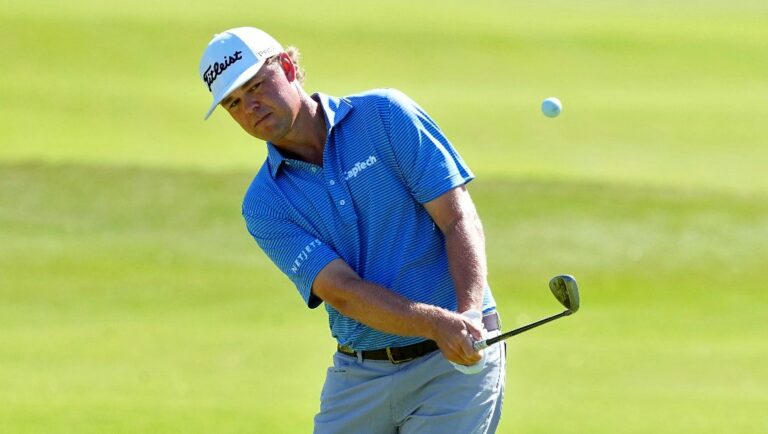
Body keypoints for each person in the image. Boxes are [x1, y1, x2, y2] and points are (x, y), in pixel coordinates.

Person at [198, 27, 506, 433]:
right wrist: (435, 323)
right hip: (360, 374)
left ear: (288, 67)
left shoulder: (385, 115)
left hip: (452, 361)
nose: (250, 107)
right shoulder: (265, 204)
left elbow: (457, 217)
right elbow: (342, 291)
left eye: (256, 86)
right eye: (234, 103)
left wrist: (467, 316)